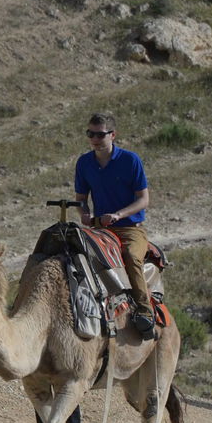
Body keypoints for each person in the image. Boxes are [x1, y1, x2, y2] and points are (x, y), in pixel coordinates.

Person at [74, 111, 155, 339]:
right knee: (75, 257)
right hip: (100, 227)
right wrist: (84, 214)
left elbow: (143, 199)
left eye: (99, 135)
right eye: (90, 134)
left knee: (130, 256)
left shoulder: (130, 160)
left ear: (113, 135)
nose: (94, 139)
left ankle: (145, 312)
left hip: (130, 228)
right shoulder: (84, 163)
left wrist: (119, 215)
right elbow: (80, 199)